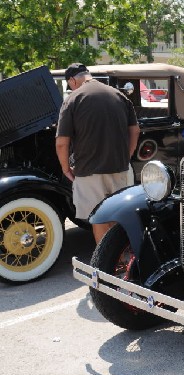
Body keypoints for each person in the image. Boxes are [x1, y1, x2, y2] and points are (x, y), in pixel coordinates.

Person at [55, 63, 140, 243]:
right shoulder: (119, 95)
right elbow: (135, 131)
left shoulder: (72, 100)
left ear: (72, 80)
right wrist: (127, 155)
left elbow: (62, 143)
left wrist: (65, 169)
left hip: (88, 171)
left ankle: (105, 264)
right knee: (120, 218)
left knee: (99, 218)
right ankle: (123, 262)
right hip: (120, 168)